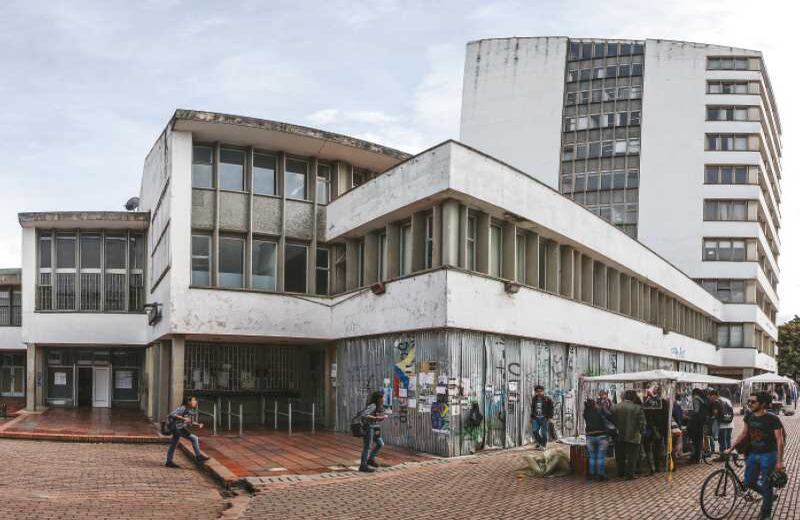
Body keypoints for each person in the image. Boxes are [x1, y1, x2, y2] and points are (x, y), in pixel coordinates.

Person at [726, 392, 786, 520]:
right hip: (753, 455)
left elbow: (779, 440)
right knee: (749, 482)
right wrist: (731, 447)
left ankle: (766, 512)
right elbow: (744, 433)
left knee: (767, 483)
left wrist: (780, 461)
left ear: (763, 404)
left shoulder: (772, 418)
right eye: (749, 401)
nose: (750, 404)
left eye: (753, 402)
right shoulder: (749, 416)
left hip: (769, 456)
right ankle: (768, 495)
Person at [165, 396, 210, 468]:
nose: (195, 402)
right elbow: (172, 414)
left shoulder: (189, 410)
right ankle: (198, 456)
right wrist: (183, 418)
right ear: (188, 402)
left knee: (176, 443)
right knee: (193, 439)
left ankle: (168, 461)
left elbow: (189, 421)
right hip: (177, 428)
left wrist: (198, 424)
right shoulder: (182, 408)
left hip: (180, 428)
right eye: (194, 400)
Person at [612, 390, 646, 480]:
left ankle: (620, 472)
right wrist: (642, 432)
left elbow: (611, 420)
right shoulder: (637, 408)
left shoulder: (616, 407)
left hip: (618, 435)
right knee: (632, 456)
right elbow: (641, 423)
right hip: (634, 436)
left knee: (620, 456)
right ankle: (629, 474)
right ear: (634, 397)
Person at [356, 391, 386, 472]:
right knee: (367, 446)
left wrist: (380, 417)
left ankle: (370, 459)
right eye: (382, 397)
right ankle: (363, 465)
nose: (384, 399)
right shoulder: (373, 405)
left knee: (380, 443)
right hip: (368, 427)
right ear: (378, 398)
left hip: (375, 427)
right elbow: (364, 415)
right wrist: (377, 418)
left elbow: (374, 416)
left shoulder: (378, 406)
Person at [583, 398, 612, 481]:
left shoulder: (586, 412)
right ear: (594, 403)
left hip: (589, 436)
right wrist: (603, 407)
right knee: (600, 457)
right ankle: (600, 475)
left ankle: (592, 474)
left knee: (592, 456)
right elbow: (609, 415)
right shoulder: (600, 410)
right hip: (601, 436)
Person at [643, 387, 668, 473]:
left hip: (649, 428)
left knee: (649, 449)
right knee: (657, 448)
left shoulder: (647, 402)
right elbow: (666, 416)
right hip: (659, 429)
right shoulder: (663, 402)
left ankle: (652, 468)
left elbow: (645, 415)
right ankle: (657, 467)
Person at [687, 388, 708, 463]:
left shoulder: (696, 399)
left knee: (695, 441)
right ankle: (697, 457)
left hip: (695, 424)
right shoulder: (702, 400)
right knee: (699, 441)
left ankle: (695, 458)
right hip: (700, 423)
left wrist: (689, 415)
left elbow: (696, 411)